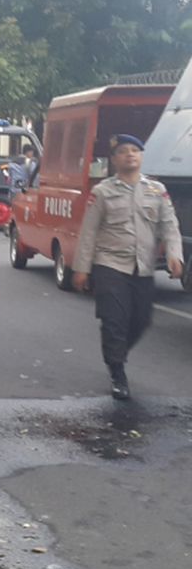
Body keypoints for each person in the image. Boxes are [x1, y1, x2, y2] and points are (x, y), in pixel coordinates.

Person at [72, 134, 183, 400]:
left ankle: (117, 351)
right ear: (114, 159)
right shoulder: (103, 192)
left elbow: (169, 225)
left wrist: (174, 254)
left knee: (142, 320)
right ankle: (117, 371)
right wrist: (82, 268)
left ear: (142, 156)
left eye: (135, 150)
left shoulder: (157, 191)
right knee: (114, 320)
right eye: (123, 151)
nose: (130, 155)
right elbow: (89, 232)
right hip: (110, 264)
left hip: (143, 266)